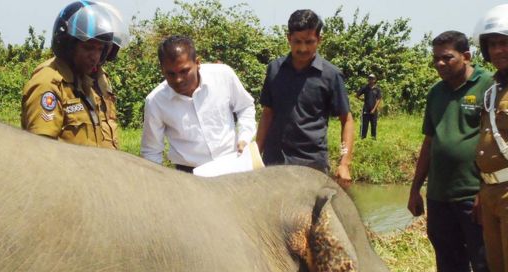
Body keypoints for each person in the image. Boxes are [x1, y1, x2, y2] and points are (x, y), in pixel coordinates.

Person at [407, 30, 505, 272]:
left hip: (475, 194)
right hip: (440, 195)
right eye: (436, 57)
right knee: (449, 268)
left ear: (466, 56)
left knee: (488, 268)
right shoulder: (436, 93)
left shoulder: (489, 86)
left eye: (447, 57)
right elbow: (430, 141)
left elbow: (493, 141)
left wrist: (483, 190)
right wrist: (415, 188)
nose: (439, 63)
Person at [255, 9, 354, 189]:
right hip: (274, 163)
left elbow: (346, 119)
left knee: (310, 217)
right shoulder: (275, 70)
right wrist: (254, 155)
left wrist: (344, 163)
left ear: (319, 40)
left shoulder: (331, 75)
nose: (303, 48)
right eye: (297, 42)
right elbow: (267, 114)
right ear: (288, 38)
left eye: (309, 42)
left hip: (312, 166)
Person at [140, 35, 256, 173]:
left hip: (232, 166)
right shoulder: (155, 101)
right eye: (170, 74)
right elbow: (151, 151)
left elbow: (245, 106)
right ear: (162, 70)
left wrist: (244, 137)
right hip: (189, 177)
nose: (178, 79)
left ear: (197, 62)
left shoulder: (223, 76)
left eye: (184, 71)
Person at [21, 1, 129, 149]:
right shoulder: (48, 83)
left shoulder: (97, 80)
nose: (95, 57)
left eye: (100, 49)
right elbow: (41, 151)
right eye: (88, 47)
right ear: (68, 46)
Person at [474, 5, 508, 272]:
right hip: (491, 194)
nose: (499, 50)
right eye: (493, 44)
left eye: (506, 43)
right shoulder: (493, 90)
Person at [355, 73, 382, 139]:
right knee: (364, 125)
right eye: (369, 78)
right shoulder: (365, 87)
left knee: (374, 125)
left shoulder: (377, 89)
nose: (370, 80)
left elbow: (378, 99)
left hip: (374, 110)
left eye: (372, 78)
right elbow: (357, 95)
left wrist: (374, 109)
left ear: (375, 80)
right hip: (366, 109)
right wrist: (363, 99)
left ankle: (373, 139)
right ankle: (363, 139)